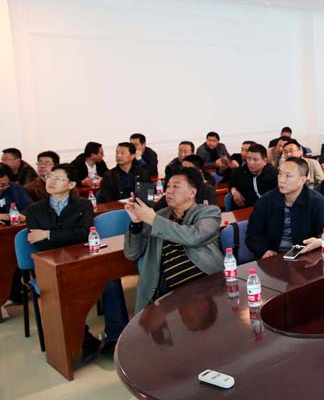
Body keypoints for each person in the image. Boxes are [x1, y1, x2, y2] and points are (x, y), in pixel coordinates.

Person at [25, 163, 129, 358]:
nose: (51, 182)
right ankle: (85, 340)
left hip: (83, 260)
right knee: (64, 291)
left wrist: (48, 233)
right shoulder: (33, 210)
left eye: (58, 179)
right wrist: (64, 235)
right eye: (50, 177)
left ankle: (116, 337)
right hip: (54, 265)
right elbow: (39, 243)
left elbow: (84, 233)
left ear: (71, 184)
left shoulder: (83, 205)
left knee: (110, 281)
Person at [124, 167, 224, 313]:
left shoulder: (208, 212)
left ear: (192, 193)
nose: (169, 191)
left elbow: (194, 236)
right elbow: (131, 254)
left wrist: (153, 219)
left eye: (176, 186)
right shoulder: (160, 215)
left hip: (207, 282)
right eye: (168, 186)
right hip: (170, 293)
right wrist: (136, 223)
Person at [245, 157, 324, 259]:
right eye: (280, 174)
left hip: (305, 256)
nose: (281, 180)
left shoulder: (316, 201)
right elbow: (252, 234)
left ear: (302, 180)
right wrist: (264, 251)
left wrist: (320, 240)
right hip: (273, 258)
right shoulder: (265, 201)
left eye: (288, 176)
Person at [228, 143, 278, 209]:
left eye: (255, 160)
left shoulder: (273, 173)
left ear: (265, 161)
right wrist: (234, 192)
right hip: (244, 210)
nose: (251, 163)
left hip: (267, 209)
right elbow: (231, 185)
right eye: (249, 158)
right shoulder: (238, 172)